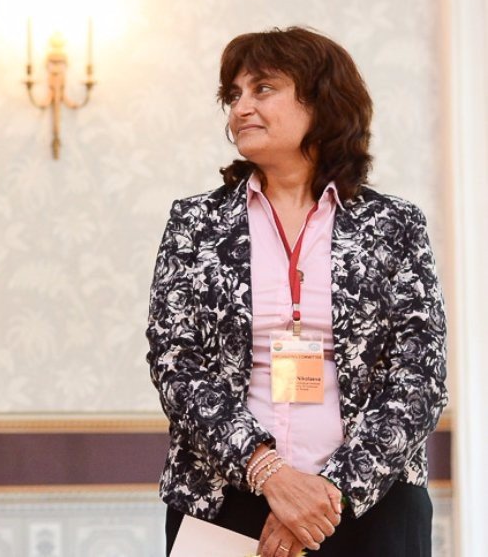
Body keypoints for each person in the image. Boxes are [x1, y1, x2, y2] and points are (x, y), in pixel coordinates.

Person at [146, 27, 446, 557]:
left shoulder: (394, 224)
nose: (241, 107)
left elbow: (419, 373)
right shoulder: (196, 223)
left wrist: (326, 497)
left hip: (370, 504)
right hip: (227, 499)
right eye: (233, 94)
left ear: (322, 101)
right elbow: (176, 362)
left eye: (262, 89)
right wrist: (270, 475)